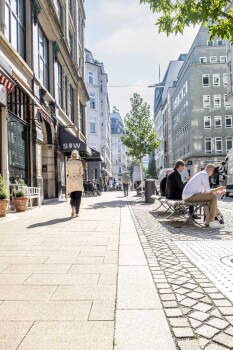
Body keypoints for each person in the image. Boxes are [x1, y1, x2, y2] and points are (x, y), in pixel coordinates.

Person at [182, 164, 225, 229]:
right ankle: (213, 221)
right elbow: (208, 191)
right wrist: (219, 188)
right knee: (213, 197)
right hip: (190, 196)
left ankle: (207, 221)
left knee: (210, 198)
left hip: (188, 195)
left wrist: (218, 192)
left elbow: (206, 192)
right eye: (213, 171)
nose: (212, 173)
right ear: (211, 170)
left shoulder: (201, 174)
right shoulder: (204, 174)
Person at [66, 150, 84, 217]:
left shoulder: (68, 162)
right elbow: (81, 172)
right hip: (78, 180)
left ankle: (72, 208)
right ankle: (77, 213)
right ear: (77, 155)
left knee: (72, 196)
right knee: (78, 197)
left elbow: (67, 173)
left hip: (71, 180)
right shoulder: (79, 162)